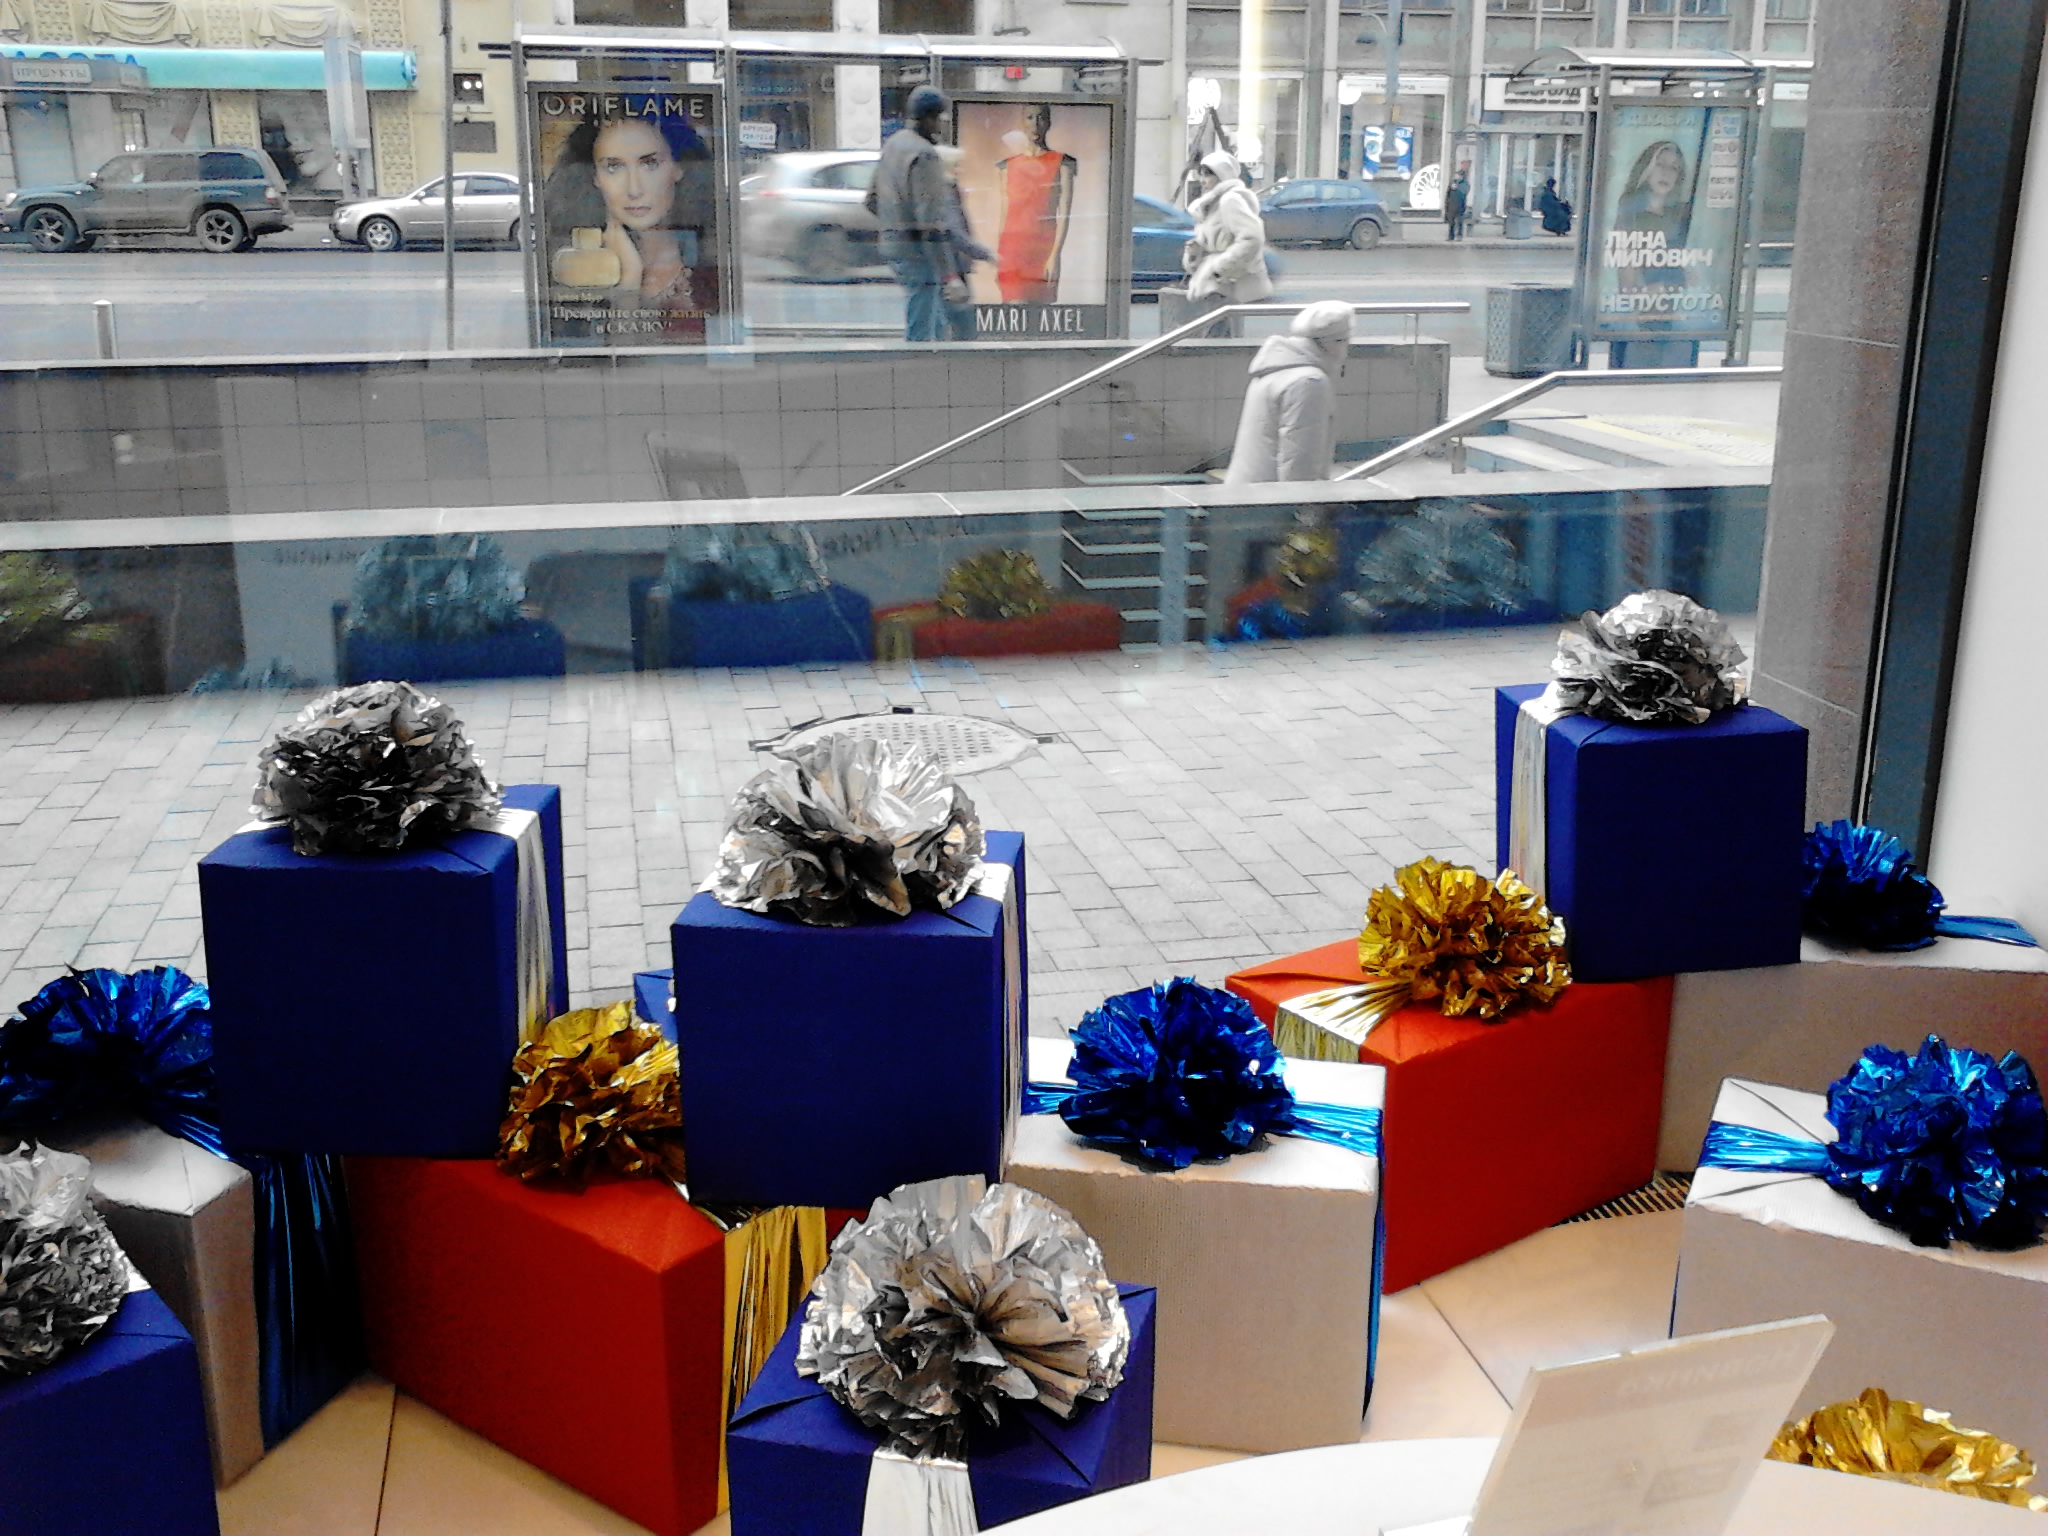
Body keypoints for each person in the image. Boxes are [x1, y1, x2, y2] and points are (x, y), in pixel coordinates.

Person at [541, 98, 716, 340]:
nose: (634, 189)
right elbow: (612, 358)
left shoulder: (709, 267)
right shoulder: (576, 272)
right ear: (594, 178)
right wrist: (630, 278)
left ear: (679, 168)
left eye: (650, 164)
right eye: (614, 167)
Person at [1223, 299, 1354, 485]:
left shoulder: (1274, 367)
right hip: (1269, 496)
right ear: (1335, 342)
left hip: (1244, 488)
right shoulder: (1309, 382)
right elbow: (1299, 459)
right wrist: (1304, 502)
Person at [873, 85, 956, 343]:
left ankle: (945, 358)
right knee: (921, 332)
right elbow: (930, 222)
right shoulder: (924, 154)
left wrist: (894, 223)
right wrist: (949, 274)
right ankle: (919, 366)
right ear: (931, 119)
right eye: (940, 118)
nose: (942, 125)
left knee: (938, 323)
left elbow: (871, 199)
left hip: (893, 246)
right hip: (918, 254)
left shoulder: (893, 144)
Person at [994, 103, 1078, 303]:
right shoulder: (1007, 166)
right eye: (1030, 118)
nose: (1035, 124)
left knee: (1040, 311)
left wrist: (1055, 255)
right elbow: (1005, 214)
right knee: (1014, 310)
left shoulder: (1063, 163)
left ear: (1048, 123)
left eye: (1041, 118)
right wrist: (999, 258)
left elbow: (1064, 214)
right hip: (1012, 250)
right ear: (1022, 122)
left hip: (1043, 249)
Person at [1183, 149, 1272, 333]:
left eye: (1208, 174)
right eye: (1201, 174)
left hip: (1225, 285)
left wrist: (1220, 268)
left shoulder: (1229, 200)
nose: (1202, 180)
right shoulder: (1212, 204)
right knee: (1213, 337)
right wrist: (1195, 253)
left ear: (1222, 175)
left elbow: (1252, 238)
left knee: (1215, 338)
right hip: (1215, 285)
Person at [935, 142, 992, 340]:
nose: (960, 170)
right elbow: (954, 232)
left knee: (945, 318)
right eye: (956, 165)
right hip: (951, 265)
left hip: (947, 264)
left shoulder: (939, 190)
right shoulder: (945, 191)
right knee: (962, 321)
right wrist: (985, 253)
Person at [1445, 168, 1470, 241]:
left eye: (1460, 175)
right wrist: (1447, 204)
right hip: (1451, 205)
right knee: (1451, 222)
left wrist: (1457, 188)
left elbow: (1464, 192)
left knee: (1459, 221)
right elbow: (1448, 194)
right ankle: (1451, 236)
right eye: (1457, 175)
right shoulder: (1452, 183)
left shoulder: (1465, 184)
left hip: (1460, 205)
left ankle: (1459, 235)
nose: (1458, 177)